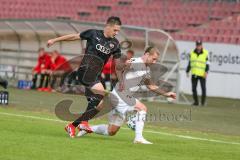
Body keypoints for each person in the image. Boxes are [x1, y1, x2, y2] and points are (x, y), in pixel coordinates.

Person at [77, 47, 176, 144]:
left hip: (118, 97)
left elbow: (151, 86)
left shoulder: (146, 69)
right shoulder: (136, 61)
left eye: (156, 60)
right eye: (153, 59)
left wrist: (166, 94)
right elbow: (119, 67)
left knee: (111, 131)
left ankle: (86, 128)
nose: (154, 62)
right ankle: (138, 137)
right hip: (121, 95)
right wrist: (123, 72)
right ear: (146, 54)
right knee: (142, 108)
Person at [47, 16, 124, 138]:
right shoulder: (93, 34)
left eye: (118, 31)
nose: (117, 33)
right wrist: (55, 40)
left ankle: (72, 126)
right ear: (108, 26)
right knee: (100, 94)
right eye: (115, 30)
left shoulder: (115, 44)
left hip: (96, 76)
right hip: (85, 71)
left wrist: (121, 79)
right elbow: (74, 36)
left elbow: (118, 65)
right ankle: (84, 123)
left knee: (98, 105)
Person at [186, 40, 209, 106]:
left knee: (203, 88)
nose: (198, 46)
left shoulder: (205, 53)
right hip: (194, 73)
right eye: (197, 45)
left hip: (202, 74)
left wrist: (206, 72)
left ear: (201, 45)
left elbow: (208, 64)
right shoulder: (192, 53)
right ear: (196, 46)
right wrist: (187, 71)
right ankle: (196, 102)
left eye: (199, 45)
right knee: (193, 89)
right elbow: (190, 63)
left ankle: (202, 102)